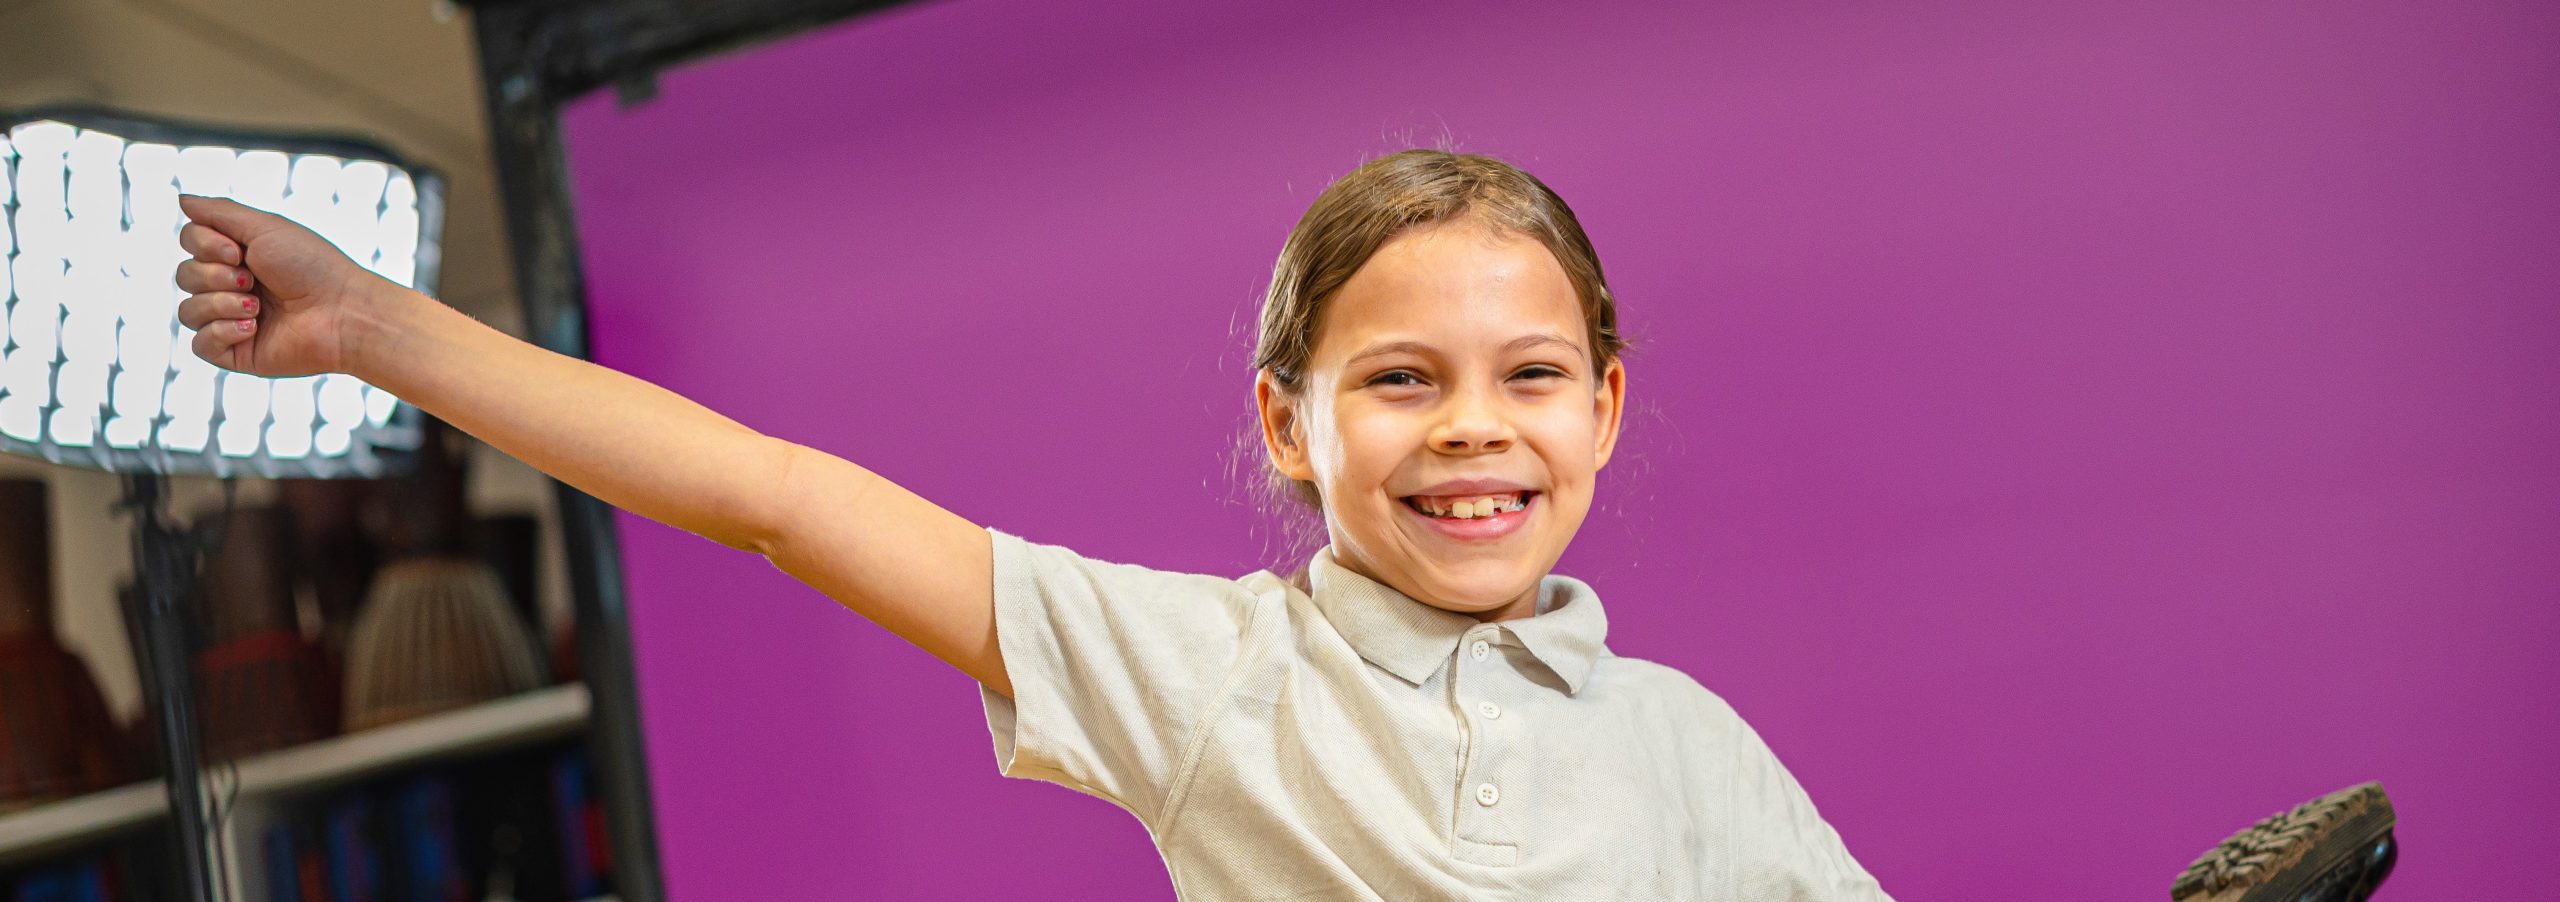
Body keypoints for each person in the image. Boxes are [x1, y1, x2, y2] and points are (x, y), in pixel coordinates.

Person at [173, 149, 1891, 900]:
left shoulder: (1691, 752)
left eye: (1528, 373)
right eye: (1398, 379)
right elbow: (774, 497)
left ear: (1601, 401)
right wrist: (375, 330)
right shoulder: (1215, 675)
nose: (1470, 426)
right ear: (1286, 426)